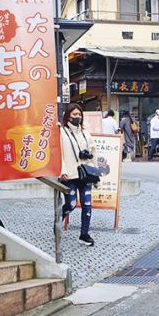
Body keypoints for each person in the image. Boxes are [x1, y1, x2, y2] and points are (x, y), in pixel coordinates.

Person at [59, 103, 98, 246]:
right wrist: (62, 171)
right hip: (69, 175)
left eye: (79, 114)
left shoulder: (85, 133)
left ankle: (84, 234)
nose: (77, 117)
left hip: (85, 173)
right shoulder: (61, 132)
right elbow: (60, 154)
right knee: (71, 204)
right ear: (68, 115)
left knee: (87, 203)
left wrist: (95, 170)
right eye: (74, 114)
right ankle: (58, 220)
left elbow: (93, 152)